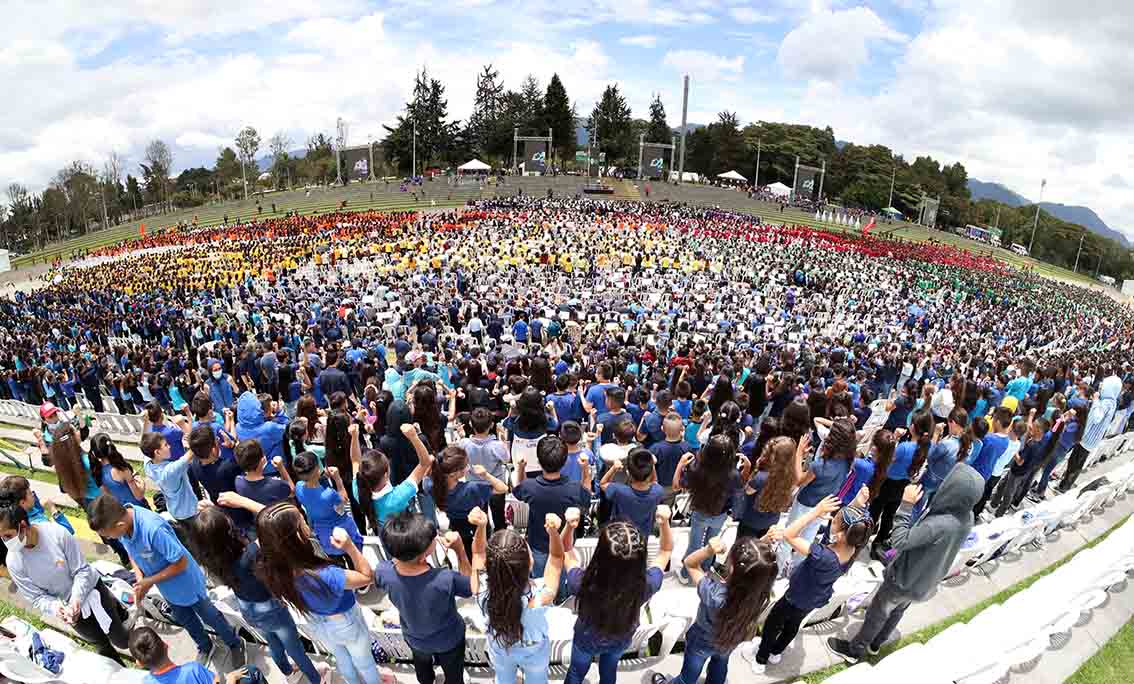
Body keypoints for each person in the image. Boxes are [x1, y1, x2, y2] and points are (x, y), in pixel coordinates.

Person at [828, 464, 983, 662]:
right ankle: (876, 644)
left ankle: (854, 650)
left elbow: (900, 541)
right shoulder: (967, 516)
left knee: (878, 613)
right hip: (923, 582)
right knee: (898, 610)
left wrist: (906, 505)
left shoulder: (939, 524)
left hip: (902, 580)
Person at [88, 495, 246, 668]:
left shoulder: (153, 529)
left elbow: (181, 562)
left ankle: (234, 642)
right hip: (168, 588)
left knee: (211, 616)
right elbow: (131, 551)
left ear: (119, 525)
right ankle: (205, 646)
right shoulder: (123, 525)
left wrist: (149, 581)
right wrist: (141, 579)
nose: (110, 538)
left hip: (188, 584)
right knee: (186, 620)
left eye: (109, 535)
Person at [190, 505, 325, 684]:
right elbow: (271, 524)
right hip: (270, 608)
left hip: (247, 608)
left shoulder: (212, 560)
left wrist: (210, 518)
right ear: (227, 531)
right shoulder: (250, 554)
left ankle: (288, 672)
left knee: (273, 640)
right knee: (295, 648)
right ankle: (317, 680)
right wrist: (239, 501)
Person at [255, 501, 379, 684]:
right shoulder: (327, 575)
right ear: (297, 535)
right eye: (302, 521)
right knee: (365, 663)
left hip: (316, 621)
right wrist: (349, 547)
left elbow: (271, 526)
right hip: (344, 621)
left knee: (341, 657)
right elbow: (367, 577)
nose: (307, 523)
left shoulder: (273, 567)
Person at [0, 501, 130, 665]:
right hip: (69, 609)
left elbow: (82, 570)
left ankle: (117, 608)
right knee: (99, 643)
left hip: (91, 590)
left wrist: (76, 598)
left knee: (120, 639)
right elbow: (36, 597)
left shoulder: (56, 534)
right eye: (2, 538)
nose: (6, 542)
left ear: (23, 526)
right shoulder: (14, 561)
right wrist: (58, 608)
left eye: (8, 536)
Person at [563, 509, 673, 684]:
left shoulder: (582, 582)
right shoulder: (647, 584)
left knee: (576, 672)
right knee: (609, 670)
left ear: (600, 553)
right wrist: (665, 523)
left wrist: (569, 527)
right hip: (621, 637)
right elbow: (666, 551)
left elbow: (567, 551)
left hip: (586, 637)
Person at [652, 535, 777, 684]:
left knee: (689, 675)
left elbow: (690, 564)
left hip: (703, 639)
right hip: (732, 638)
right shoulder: (761, 592)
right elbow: (752, 570)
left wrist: (708, 550)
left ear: (732, 568)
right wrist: (759, 550)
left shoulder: (714, 594)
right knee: (720, 663)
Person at [469, 505, 568, 684]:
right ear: (530, 563)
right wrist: (554, 532)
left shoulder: (481, 589)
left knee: (504, 679)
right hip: (534, 651)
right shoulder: (540, 597)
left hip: (500, 648)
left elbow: (476, 552)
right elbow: (556, 559)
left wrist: (482, 526)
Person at [376, 511, 472, 684]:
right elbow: (470, 587)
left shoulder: (384, 572)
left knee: (423, 670)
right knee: (454, 675)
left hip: (414, 638)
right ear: (423, 555)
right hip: (449, 639)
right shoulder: (445, 579)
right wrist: (460, 550)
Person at [674, 433, 750, 582]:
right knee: (712, 542)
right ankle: (706, 570)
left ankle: (685, 573)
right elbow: (740, 492)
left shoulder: (696, 468)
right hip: (720, 515)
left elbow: (677, 485)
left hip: (700, 511)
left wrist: (680, 464)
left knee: (695, 544)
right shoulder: (733, 474)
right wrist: (747, 466)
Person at [514, 436, 593, 577]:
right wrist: (585, 469)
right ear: (565, 462)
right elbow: (586, 495)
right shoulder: (573, 489)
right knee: (561, 582)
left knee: (541, 583)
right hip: (565, 545)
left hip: (537, 545)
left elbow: (520, 489)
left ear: (538, 461)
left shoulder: (530, 487)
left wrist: (521, 467)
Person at [422, 445, 508, 552]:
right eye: (465, 466)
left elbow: (425, 476)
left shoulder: (430, 486)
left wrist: (432, 464)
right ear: (453, 474)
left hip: (456, 528)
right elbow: (503, 488)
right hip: (478, 528)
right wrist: (486, 475)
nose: (468, 468)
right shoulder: (471, 489)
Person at [353, 422, 433, 533]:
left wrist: (354, 437)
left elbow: (355, 461)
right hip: (405, 536)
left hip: (385, 534)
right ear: (386, 475)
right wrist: (414, 437)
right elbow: (425, 462)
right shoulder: (397, 497)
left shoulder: (358, 490)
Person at [292, 451, 364, 567]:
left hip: (324, 536)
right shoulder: (329, 494)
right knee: (354, 559)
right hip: (343, 531)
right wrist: (338, 480)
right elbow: (343, 504)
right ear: (316, 469)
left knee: (337, 564)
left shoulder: (298, 487)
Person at [128, 625, 246, 684]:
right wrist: (231, 679)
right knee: (251, 672)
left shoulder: (146, 682)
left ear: (139, 663)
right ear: (165, 644)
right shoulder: (194, 670)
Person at [733, 436, 796, 540]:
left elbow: (747, 491)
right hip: (771, 521)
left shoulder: (761, 477)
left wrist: (754, 469)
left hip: (751, 520)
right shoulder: (791, 476)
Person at [600, 446, 665, 539]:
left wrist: (613, 468)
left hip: (621, 536)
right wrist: (652, 465)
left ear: (628, 473)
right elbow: (654, 482)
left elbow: (603, 484)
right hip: (643, 538)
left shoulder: (619, 491)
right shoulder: (657, 491)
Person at [141, 430, 199, 524]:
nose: (169, 446)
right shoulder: (170, 471)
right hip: (189, 513)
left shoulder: (148, 465)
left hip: (174, 509)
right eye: (166, 445)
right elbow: (189, 455)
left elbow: (145, 444)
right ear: (157, 452)